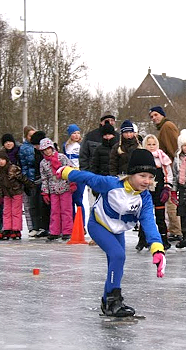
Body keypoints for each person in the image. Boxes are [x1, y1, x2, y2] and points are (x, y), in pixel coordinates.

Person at [58, 149, 166, 317]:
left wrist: (157, 248)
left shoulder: (144, 199)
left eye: (151, 177)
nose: (147, 181)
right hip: (99, 225)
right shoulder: (111, 184)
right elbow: (89, 178)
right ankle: (112, 300)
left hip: (118, 230)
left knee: (116, 262)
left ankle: (110, 301)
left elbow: (149, 223)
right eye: (143, 175)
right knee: (118, 255)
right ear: (131, 174)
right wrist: (67, 172)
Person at [149, 105, 182, 242]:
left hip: (170, 167)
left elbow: (174, 147)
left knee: (170, 200)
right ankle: (174, 229)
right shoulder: (163, 127)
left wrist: (173, 166)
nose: (154, 118)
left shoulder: (167, 127)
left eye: (156, 115)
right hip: (168, 167)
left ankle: (176, 230)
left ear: (162, 114)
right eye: (151, 117)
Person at [141, 134, 173, 250]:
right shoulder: (142, 157)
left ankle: (164, 239)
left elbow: (168, 174)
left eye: (153, 144)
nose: (151, 146)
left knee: (160, 217)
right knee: (145, 215)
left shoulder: (162, 158)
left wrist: (166, 188)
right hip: (145, 191)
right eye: (149, 144)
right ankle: (142, 239)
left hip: (159, 191)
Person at [39, 138, 75, 241]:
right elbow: (44, 178)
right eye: (44, 150)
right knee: (54, 211)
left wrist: (72, 182)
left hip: (65, 187)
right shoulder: (43, 163)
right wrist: (45, 192)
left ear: (52, 148)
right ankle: (55, 231)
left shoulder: (61, 157)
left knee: (66, 210)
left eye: (48, 149)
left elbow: (70, 169)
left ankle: (67, 231)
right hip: (53, 189)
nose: (47, 151)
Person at [0, 150, 33, 240]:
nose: (1, 162)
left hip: (16, 193)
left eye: (2, 159)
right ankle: (7, 229)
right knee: (6, 211)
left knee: (16, 211)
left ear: (6, 160)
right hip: (6, 194)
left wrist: (30, 185)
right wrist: (0, 196)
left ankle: (16, 230)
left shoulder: (13, 168)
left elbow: (22, 178)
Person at [63, 124, 85, 226]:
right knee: (69, 200)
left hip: (79, 173)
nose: (76, 135)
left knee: (78, 200)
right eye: (74, 133)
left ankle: (81, 224)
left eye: (78, 133)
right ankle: (71, 223)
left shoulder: (82, 146)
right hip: (69, 173)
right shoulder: (66, 146)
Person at [19, 126, 38, 236]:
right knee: (29, 204)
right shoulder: (24, 148)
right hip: (29, 178)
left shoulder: (40, 146)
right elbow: (24, 164)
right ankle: (31, 227)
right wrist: (26, 179)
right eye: (30, 136)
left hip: (39, 177)